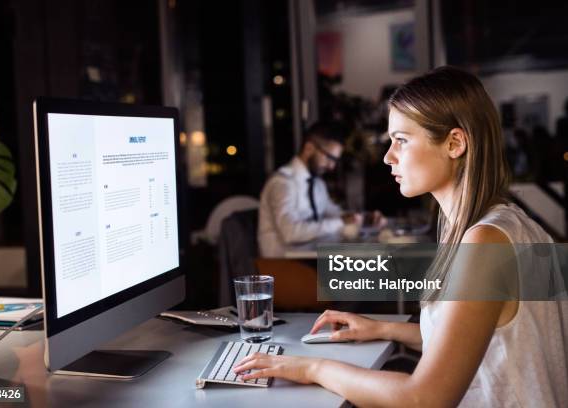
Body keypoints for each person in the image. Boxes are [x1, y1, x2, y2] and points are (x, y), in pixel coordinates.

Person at [236, 67, 568, 406]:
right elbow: (472, 338)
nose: (387, 156)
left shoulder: (485, 243)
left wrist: (312, 368)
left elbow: (424, 399)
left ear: (455, 143)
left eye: (402, 141)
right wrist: (383, 329)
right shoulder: (500, 222)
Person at [258, 121, 368, 258]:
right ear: (309, 148)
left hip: (310, 258)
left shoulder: (317, 183)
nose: (331, 167)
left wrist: (363, 218)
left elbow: (334, 213)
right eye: (329, 158)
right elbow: (290, 233)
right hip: (283, 267)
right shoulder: (282, 183)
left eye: (335, 160)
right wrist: (340, 222)